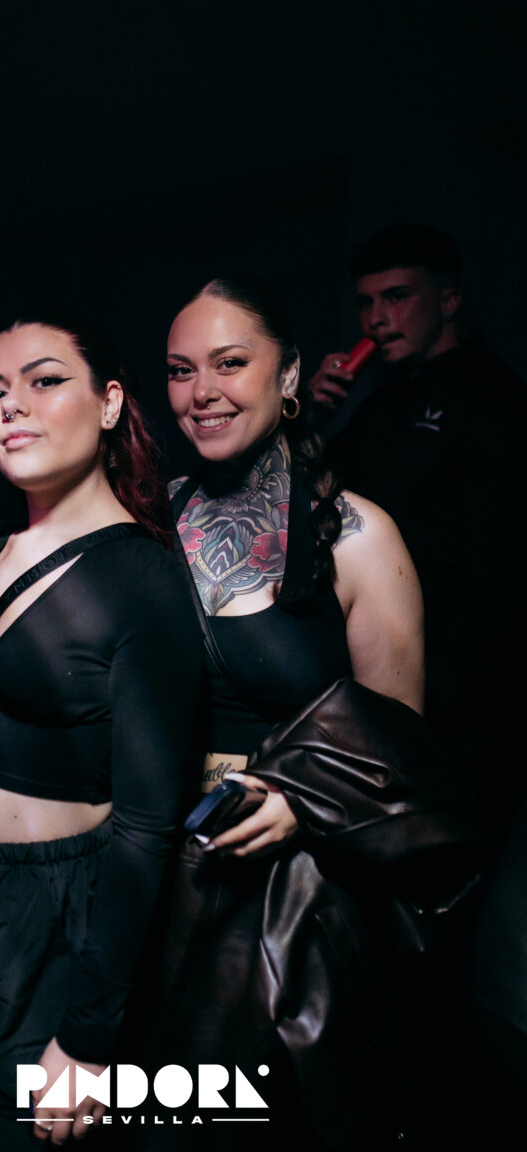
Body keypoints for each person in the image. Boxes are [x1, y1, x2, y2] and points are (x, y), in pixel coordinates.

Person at [124, 271, 463, 1152]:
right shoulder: (146, 526)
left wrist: (300, 798)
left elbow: (399, 746)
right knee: (155, 1118)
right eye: (180, 370)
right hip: (149, 877)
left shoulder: (357, 535)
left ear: (288, 375)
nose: (201, 391)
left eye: (230, 363)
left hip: (285, 906)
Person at [0, 311, 203, 1149]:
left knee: (17, 1128)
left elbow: (147, 827)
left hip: (47, 917)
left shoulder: (142, 579)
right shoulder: (0, 542)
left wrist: (91, 1035)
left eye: (44, 381)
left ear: (109, 403)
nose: (10, 406)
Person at [307, 223, 526, 840]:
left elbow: (499, 568)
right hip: (381, 674)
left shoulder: (493, 397)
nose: (377, 318)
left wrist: (446, 699)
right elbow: (314, 497)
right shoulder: (381, 403)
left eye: (397, 297)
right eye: (365, 302)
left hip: (467, 690)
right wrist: (310, 415)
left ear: (448, 301)